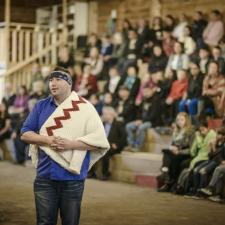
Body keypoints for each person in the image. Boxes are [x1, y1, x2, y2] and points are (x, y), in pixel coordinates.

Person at [20, 67, 110, 225]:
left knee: (71, 222)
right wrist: (48, 140)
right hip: (44, 176)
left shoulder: (85, 108)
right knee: (44, 222)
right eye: (50, 80)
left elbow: (99, 141)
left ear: (69, 83)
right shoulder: (41, 106)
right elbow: (25, 133)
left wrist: (71, 144)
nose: (53, 83)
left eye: (58, 79)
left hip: (73, 178)